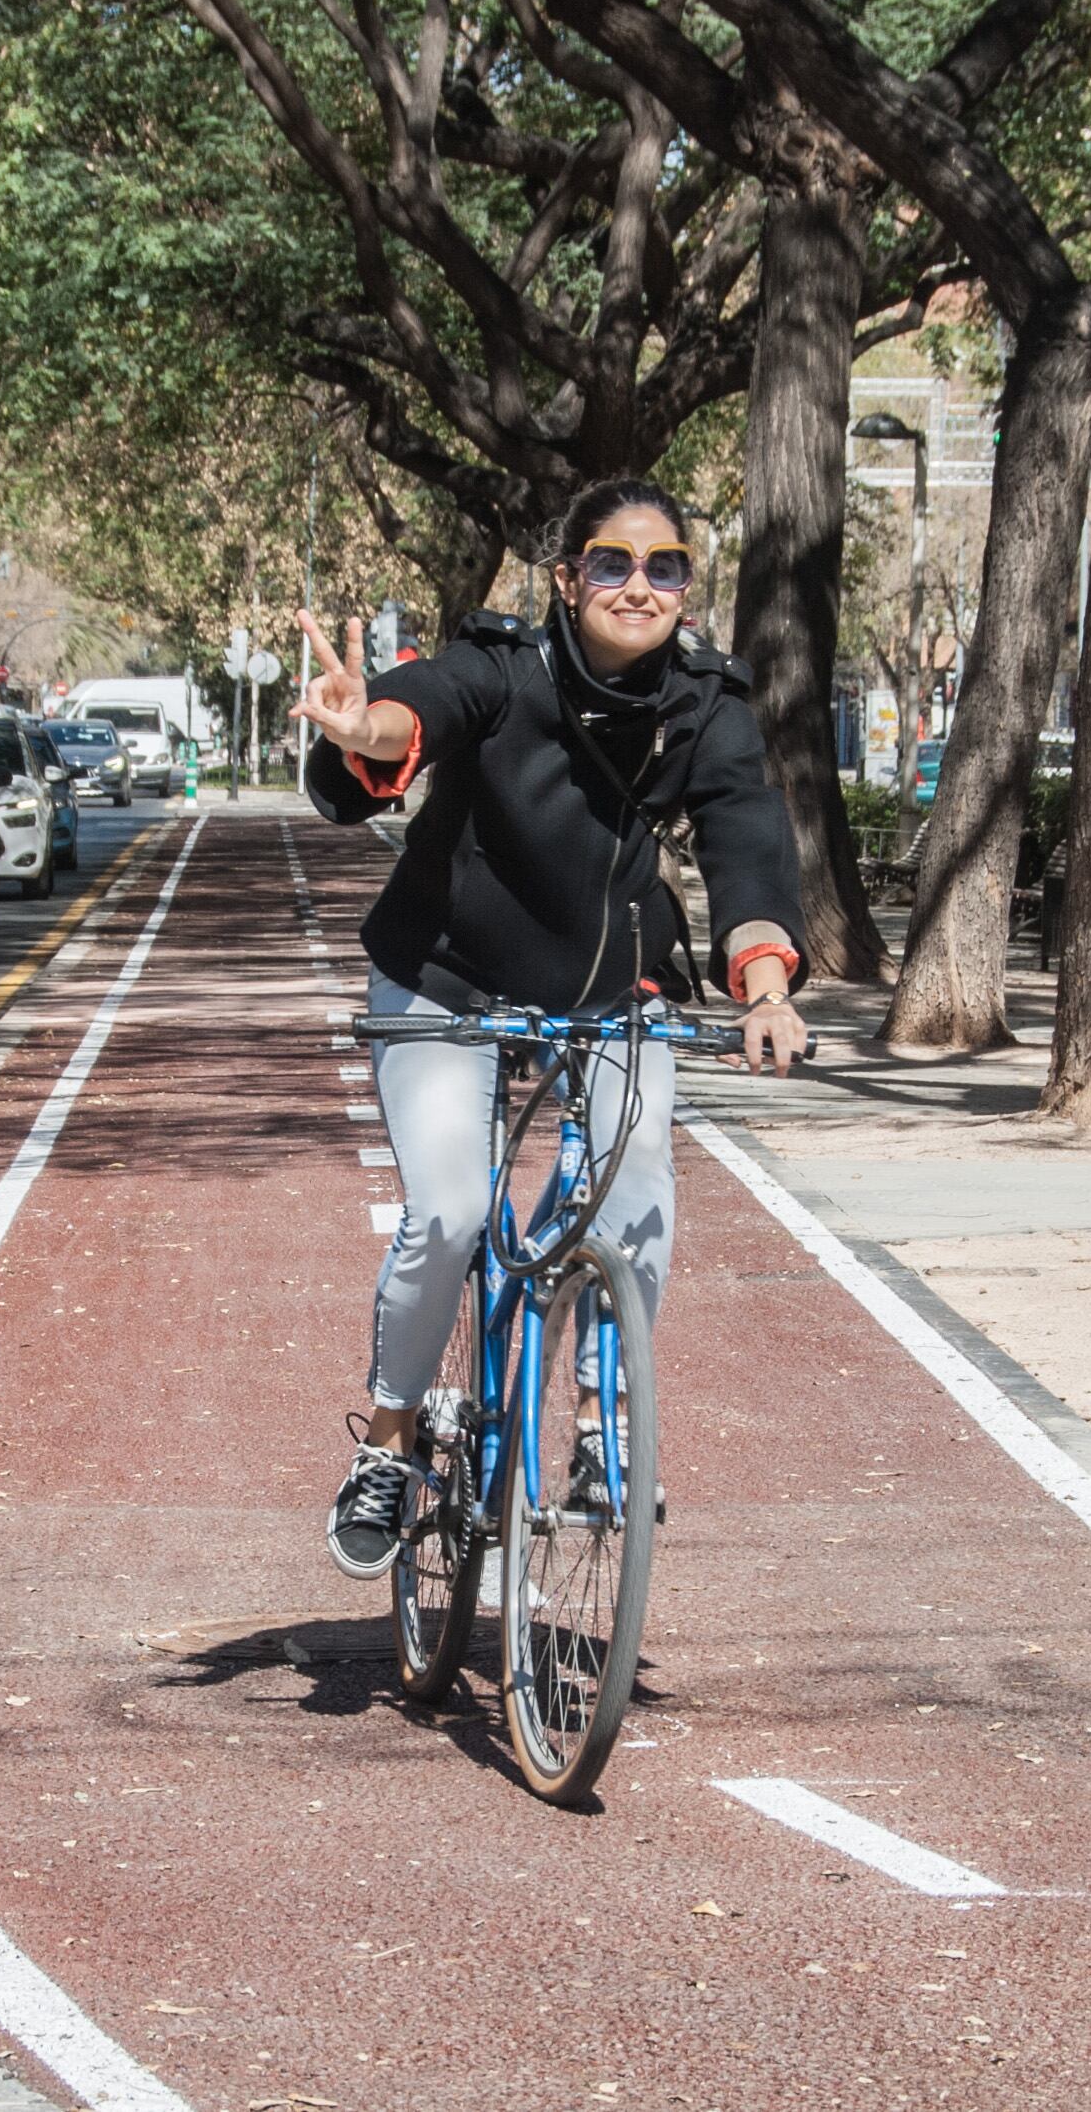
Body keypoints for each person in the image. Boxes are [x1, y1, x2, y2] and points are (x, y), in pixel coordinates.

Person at [295, 477, 811, 1580]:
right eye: (612, 563)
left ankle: (598, 1429)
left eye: (663, 564)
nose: (639, 583)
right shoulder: (502, 668)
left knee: (636, 1198)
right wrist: (364, 727)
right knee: (450, 1207)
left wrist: (765, 988)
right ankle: (388, 1442)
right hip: (445, 976)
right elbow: (413, 712)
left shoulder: (707, 704)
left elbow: (747, 841)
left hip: (616, 987)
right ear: (568, 577)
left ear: (685, 583)